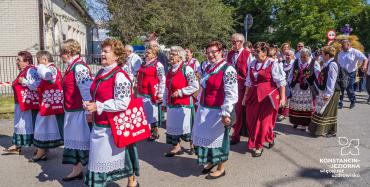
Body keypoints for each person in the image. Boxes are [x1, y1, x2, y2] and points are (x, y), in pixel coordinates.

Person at [84, 38, 139, 187]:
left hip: (112, 127)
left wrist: (98, 107)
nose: (102, 53)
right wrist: (91, 109)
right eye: (102, 51)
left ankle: (132, 180)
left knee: (105, 162)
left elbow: (123, 102)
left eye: (106, 51)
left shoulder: (120, 76)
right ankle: (131, 180)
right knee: (98, 162)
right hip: (100, 124)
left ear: (116, 56)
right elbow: (96, 94)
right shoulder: (101, 72)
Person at [192, 41, 238, 179]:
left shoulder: (228, 70)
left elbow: (231, 94)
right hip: (205, 109)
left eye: (214, 52)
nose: (210, 55)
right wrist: (199, 102)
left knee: (220, 139)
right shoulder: (208, 67)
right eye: (208, 52)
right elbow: (204, 88)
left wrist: (226, 112)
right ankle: (212, 161)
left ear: (221, 52)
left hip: (218, 111)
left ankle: (221, 167)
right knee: (208, 138)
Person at [243, 42, 286, 157]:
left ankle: (258, 145)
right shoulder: (252, 63)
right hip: (253, 96)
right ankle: (270, 136)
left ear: (264, 52)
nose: (255, 54)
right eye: (254, 51)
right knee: (251, 120)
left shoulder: (273, 63)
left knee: (262, 122)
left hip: (268, 97)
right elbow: (248, 81)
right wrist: (245, 97)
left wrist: (283, 97)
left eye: (257, 51)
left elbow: (280, 82)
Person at [60, 39, 93, 181]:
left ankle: (93, 173)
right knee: (74, 142)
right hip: (71, 111)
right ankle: (77, 170)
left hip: (80, 112)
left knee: (84, 143)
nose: (60, 55)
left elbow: (87, 91)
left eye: (61, 52)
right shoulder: (71, 66)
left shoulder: (79, 68)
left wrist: (88, 112)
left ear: (68, 52)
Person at [3, 51, 40, 155]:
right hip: (21, 103)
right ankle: (17, 146)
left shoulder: (31, 70)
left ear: (27, 61)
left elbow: (36, 85)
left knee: (29, 125)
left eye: (19, 60)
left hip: (28, 105)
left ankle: (39, 149)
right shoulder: (24, 70)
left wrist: (24, 81)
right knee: (20, 125)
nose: (17, 62)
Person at [164, 46, 199, 157]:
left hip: (184, 104)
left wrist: (180, 92)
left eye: (173, 54)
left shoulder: (186, 69)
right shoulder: (170, 71)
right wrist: (165, 102)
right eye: (170, 54)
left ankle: (193, 145)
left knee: (188, 125)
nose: (170, 56)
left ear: (180, 56)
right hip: (172, 103)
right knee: (173, 126)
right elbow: (166, 88)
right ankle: (176, 147)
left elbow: (195, 86)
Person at [31, 50, 64, 162]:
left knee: (40, 127)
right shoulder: (53, 69)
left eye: (39, 60)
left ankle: (41, 152)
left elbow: (47, 77)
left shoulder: (50, 69)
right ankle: (43, 151)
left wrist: (40, 68)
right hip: (50, 102)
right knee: (44, 127)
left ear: (44, 60)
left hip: (49, 103)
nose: (37, 63)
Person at [309, 46, 340, 137]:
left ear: (327, 55)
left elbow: (332, 80)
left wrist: (328, 93)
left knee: (327, 111)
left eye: (323, 54)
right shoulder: (327, 63)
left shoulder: (332, 64)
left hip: (332, 91)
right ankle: (320, 130)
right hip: (327, 90)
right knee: (323, 110)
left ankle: (329, 131)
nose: (321, 56)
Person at [137, 45, 166, 141]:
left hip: (151, 93)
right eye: (146, 52)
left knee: (151, 114)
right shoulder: (144, 64)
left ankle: (155, 132)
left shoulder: (158, 65)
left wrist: (160, 93)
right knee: (143, 114)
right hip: (141, 92)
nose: (146, 54)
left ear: (155, 54)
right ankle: (146, 131)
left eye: (148, 53)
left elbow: (162, 79)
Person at [226, 33, 251, 145]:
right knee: (231, 109)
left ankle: (236, 135)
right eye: (232, 42)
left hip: (242, 86)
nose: (233, 44)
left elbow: (250, 72)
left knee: (239, 111)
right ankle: (234, 132)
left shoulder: (248, 54)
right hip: (231, 85)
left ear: (241, 42)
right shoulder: (230, 53)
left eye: (234, 42)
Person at [288, 48, 320, 129]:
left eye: (304, 57)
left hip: (308, 88)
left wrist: (319, 87)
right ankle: (296, 121)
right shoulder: (296, 62)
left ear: (309, 56)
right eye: (301, 57)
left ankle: (304, 124)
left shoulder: (314, 63)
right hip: (297, 87)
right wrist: (289, 83)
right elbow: (291, 73)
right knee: (296, 105)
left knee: (306, 106)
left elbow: (318, 76)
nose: (302, 59)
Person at [337, 39, 368, 109]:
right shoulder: (340, 53)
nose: (341, 46)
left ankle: (353, 101)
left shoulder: (355, 52)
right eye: (341, 45)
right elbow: (338, 63)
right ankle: (340, 102)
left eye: (343, 45)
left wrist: (364, 66)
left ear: (348, 45)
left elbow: (365, 59)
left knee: (349, 88)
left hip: (351, 73)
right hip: (342, 73)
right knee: (341, 87)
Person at [277, 50, 295, 121]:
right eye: (286, 55)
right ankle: (281, 112)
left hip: (290, 83)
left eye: (289, 55)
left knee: (287, 98)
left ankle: (284, 114)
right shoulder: (282, 63)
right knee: (281, 97)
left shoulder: (294, 63)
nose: (287, 56)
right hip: (282, 83)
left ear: (293, 56)